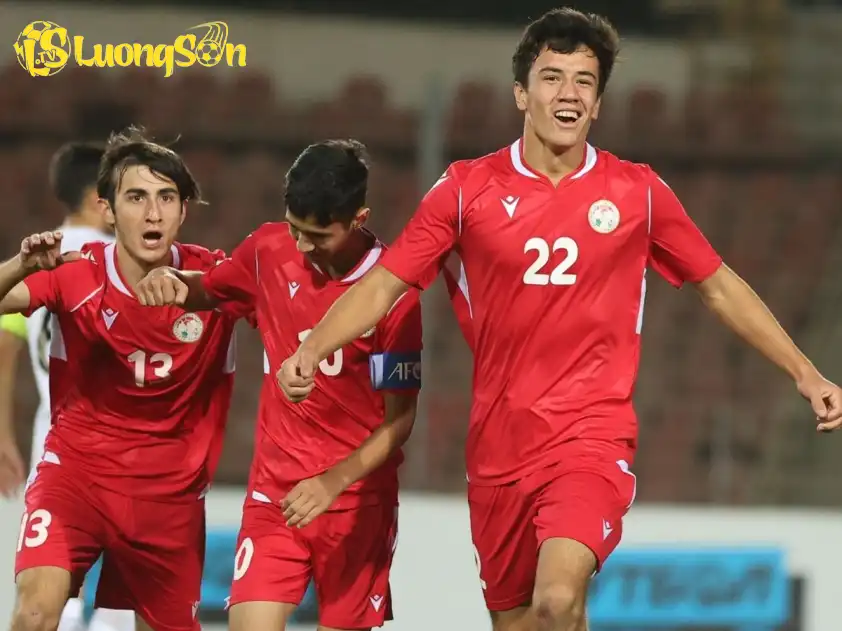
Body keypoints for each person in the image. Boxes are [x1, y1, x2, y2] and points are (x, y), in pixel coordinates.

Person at [276, 8, 842, 631]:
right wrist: (312, 348)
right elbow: (384, 283)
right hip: (497, 452)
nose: (568, 94)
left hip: (589, 440)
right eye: (552, 77)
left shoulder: (637, 192)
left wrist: (804, 371)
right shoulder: (466, 190)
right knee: (527, 621)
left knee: (556, 601)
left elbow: (718, 287)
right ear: (522, 92)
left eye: (584, 82)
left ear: (598, 104)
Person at [134, 139, 424, 631]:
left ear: (359, 217)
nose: (303, 245)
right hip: (276, 493)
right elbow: (211, 288)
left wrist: (334, 480)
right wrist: (173, 281)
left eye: (318, 235)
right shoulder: (269, 249)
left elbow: (401, 421)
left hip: (355, 504)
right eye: (295, 229)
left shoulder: (393, 298)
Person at [0, 127, 239, 631]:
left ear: (183, 210)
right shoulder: (75, 271)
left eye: (166, 198)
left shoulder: (218, 279)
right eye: (136, 197)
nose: (153, 213)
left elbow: (289, 301)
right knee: (36, 611)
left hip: (168, 496)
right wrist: (19, 265)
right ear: (107, 210)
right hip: (77, 478)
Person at [0, 142, 134, 631]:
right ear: (102, 200)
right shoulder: (109, 257)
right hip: (113, 447)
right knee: (114, 594)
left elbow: (8, 347)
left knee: (52, 584)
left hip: (50, 437)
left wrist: (3, 435)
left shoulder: (35, 254)